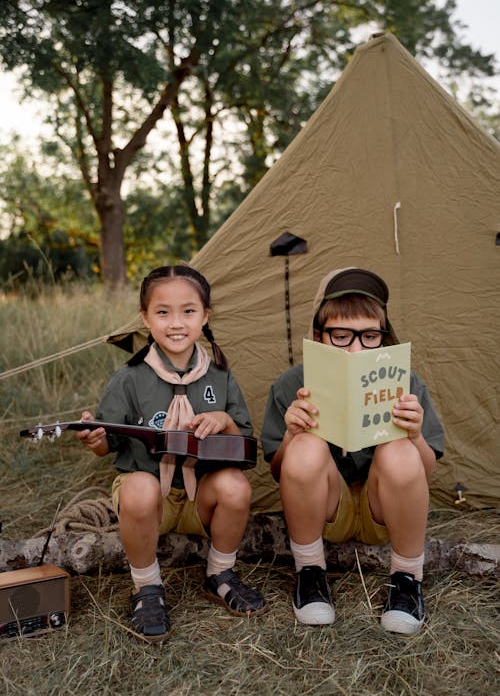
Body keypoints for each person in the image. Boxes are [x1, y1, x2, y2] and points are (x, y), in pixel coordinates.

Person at [76, 265, 267, 642]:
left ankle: (219, 574)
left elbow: (245, 446)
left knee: (236, 486)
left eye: (188, 311)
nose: (175, 323)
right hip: (152, 504)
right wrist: (94, 438)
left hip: (200, 501)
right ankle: (146, 586)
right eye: (162, 312)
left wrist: (223, 420)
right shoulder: (129, 378)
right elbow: (106, 444)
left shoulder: (220, 377)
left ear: (205, 315)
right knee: (138, 487)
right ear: (145, 317)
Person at [261, 267, 444, 635]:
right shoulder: (291, 385)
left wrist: (414, 436)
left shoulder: (405, 382)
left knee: (398, 448)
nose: (356, 348)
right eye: (341, 336)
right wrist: (292, 435)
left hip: (383, 513)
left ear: (384, 338)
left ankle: (407, 579)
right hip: (326, 512)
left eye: (369, 336)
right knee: (307, 444)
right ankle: (310, 572)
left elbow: (425, 469)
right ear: (319, 337)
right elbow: (281, 470)